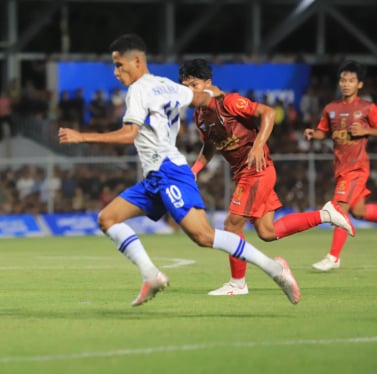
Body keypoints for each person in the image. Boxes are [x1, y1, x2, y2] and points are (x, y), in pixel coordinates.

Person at [58, 33, 300, 306]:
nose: (116, 72)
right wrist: (213, 91)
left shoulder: (138, 91)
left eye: (119, 65)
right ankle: (151, 275)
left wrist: (82, 136)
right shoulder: (165, 85)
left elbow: (129, 134)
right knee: (108, 219)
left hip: (169, 172)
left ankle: (275, 270)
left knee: (204, 236)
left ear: (137, 61)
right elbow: (202, 97)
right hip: (155, 176)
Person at [179, 59, 355, 296]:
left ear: (208, 83)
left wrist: (258, 144)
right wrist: (195, 170)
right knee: (267, 232)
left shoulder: (228, 101)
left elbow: (268, 112)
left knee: (231, 226)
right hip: (244, 173)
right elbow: (210, 145)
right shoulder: (200, 116)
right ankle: (326, 214)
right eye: (185, 86)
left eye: (194, 84)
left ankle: (238, 283)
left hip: (256, 171)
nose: (190, 91)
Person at [304, 60, 377, 271]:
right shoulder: (331, 108)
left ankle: (333, 257)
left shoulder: (367, 108)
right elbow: (323, 131)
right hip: (341, 167)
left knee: (338, 208)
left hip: (356, 167)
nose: (346, 84)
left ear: (360, 84)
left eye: (351, 80)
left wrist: (366, 131)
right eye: (343, 80)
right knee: (359, 213)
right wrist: (313, 134)